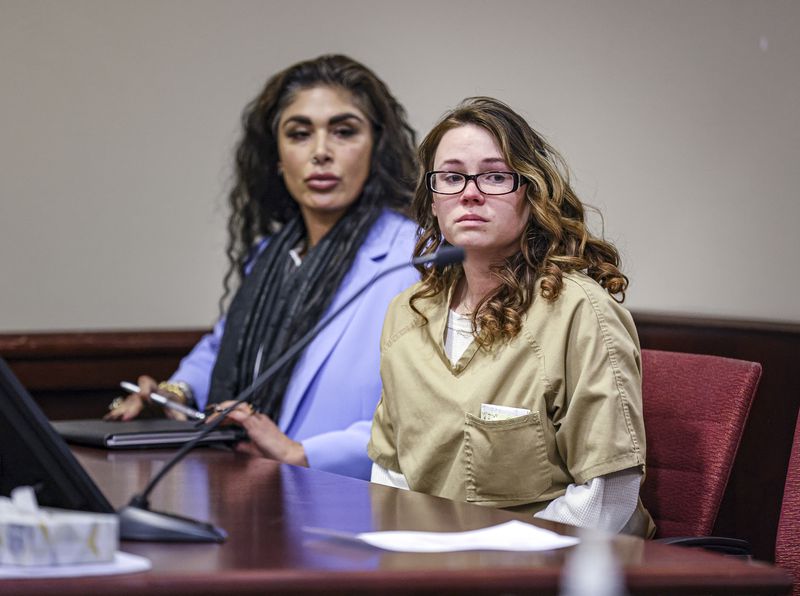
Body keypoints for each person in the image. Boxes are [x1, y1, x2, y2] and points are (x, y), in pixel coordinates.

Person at [105, 54, 419, 480]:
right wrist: (172, 393)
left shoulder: (414, 256)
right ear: (277, 155)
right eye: (299, 134)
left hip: (347, 498)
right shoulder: (271, 256)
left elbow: (426, 411)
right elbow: (221, 348)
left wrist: (304, 453)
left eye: (344, 132)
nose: (321, 152)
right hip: (245, 487)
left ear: (375, 149)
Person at [368, 97, 655, 536]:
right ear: (433, 198)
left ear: (532, 193)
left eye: (495, 176)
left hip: (549, 567)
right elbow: (391, 478)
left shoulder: (579, 310)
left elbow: (609, 495)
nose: (469, 192)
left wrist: (493, 557)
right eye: (451, 177)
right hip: (430, 566)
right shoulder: (408, 313)